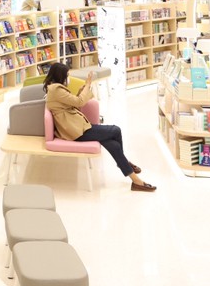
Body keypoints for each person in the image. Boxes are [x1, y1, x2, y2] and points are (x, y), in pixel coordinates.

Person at [42, 63, 156, 191]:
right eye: (67, 75)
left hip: (78, 126)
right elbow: (79, 102)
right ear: (60, 76)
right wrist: (88, 85)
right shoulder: (56, 90)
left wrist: (84, 88)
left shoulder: (55, 89)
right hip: (75, 131)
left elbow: (74, 103)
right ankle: (125, 164)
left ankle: (134, 178)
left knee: (114, 145)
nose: (68, 78)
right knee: (116, 130)